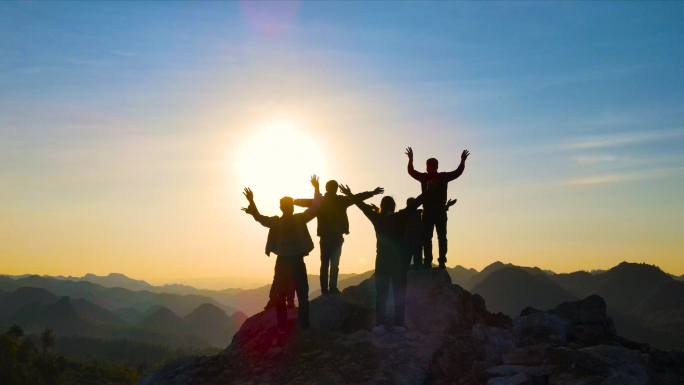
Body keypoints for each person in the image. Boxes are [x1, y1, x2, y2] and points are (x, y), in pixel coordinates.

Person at [339, 184, 426, 334]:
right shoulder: (401, 217)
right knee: (400, 292)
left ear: (381, 207)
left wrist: (350, 194)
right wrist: (429, 190)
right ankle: (399, 324)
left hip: (382, 261)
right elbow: (416, 203)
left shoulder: (377, 218)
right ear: (393, 207)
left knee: (382, 294)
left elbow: (362, 206)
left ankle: (380, 324)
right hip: (399, 261)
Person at [242, 175, 322, 331]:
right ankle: (304, 325)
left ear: (280, 208)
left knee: (281, 296)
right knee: (303, 295)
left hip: (282, 262)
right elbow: (315, 207)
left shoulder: (276, 223)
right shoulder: (300, 219)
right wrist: (316, 188)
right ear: (292, 208)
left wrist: (251, 201)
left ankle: (282, 327)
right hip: (298, 261)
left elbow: (259, 218)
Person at [294, 181, 384, 295]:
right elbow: (357, 197)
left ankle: (324, 290)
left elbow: (305, 202)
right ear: (336, 189)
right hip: (337, 237)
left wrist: (292, 202)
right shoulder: (341, 200)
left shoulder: (320, 201)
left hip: (325, 237)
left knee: (324, 264)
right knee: (334, 264)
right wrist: (372, 193)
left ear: (326, 188)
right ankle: (333, 288)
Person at [405, 147, 470, 269]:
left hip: (430, 212)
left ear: (428, 166)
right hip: (438, 212)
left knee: (430, 238)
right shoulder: (442, 177)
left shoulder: (426, 177)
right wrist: (462, 161)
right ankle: (438, 262)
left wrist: (411, 159)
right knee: (439, 238)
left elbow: (411, 171)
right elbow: (458, 172)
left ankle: (430, 262)